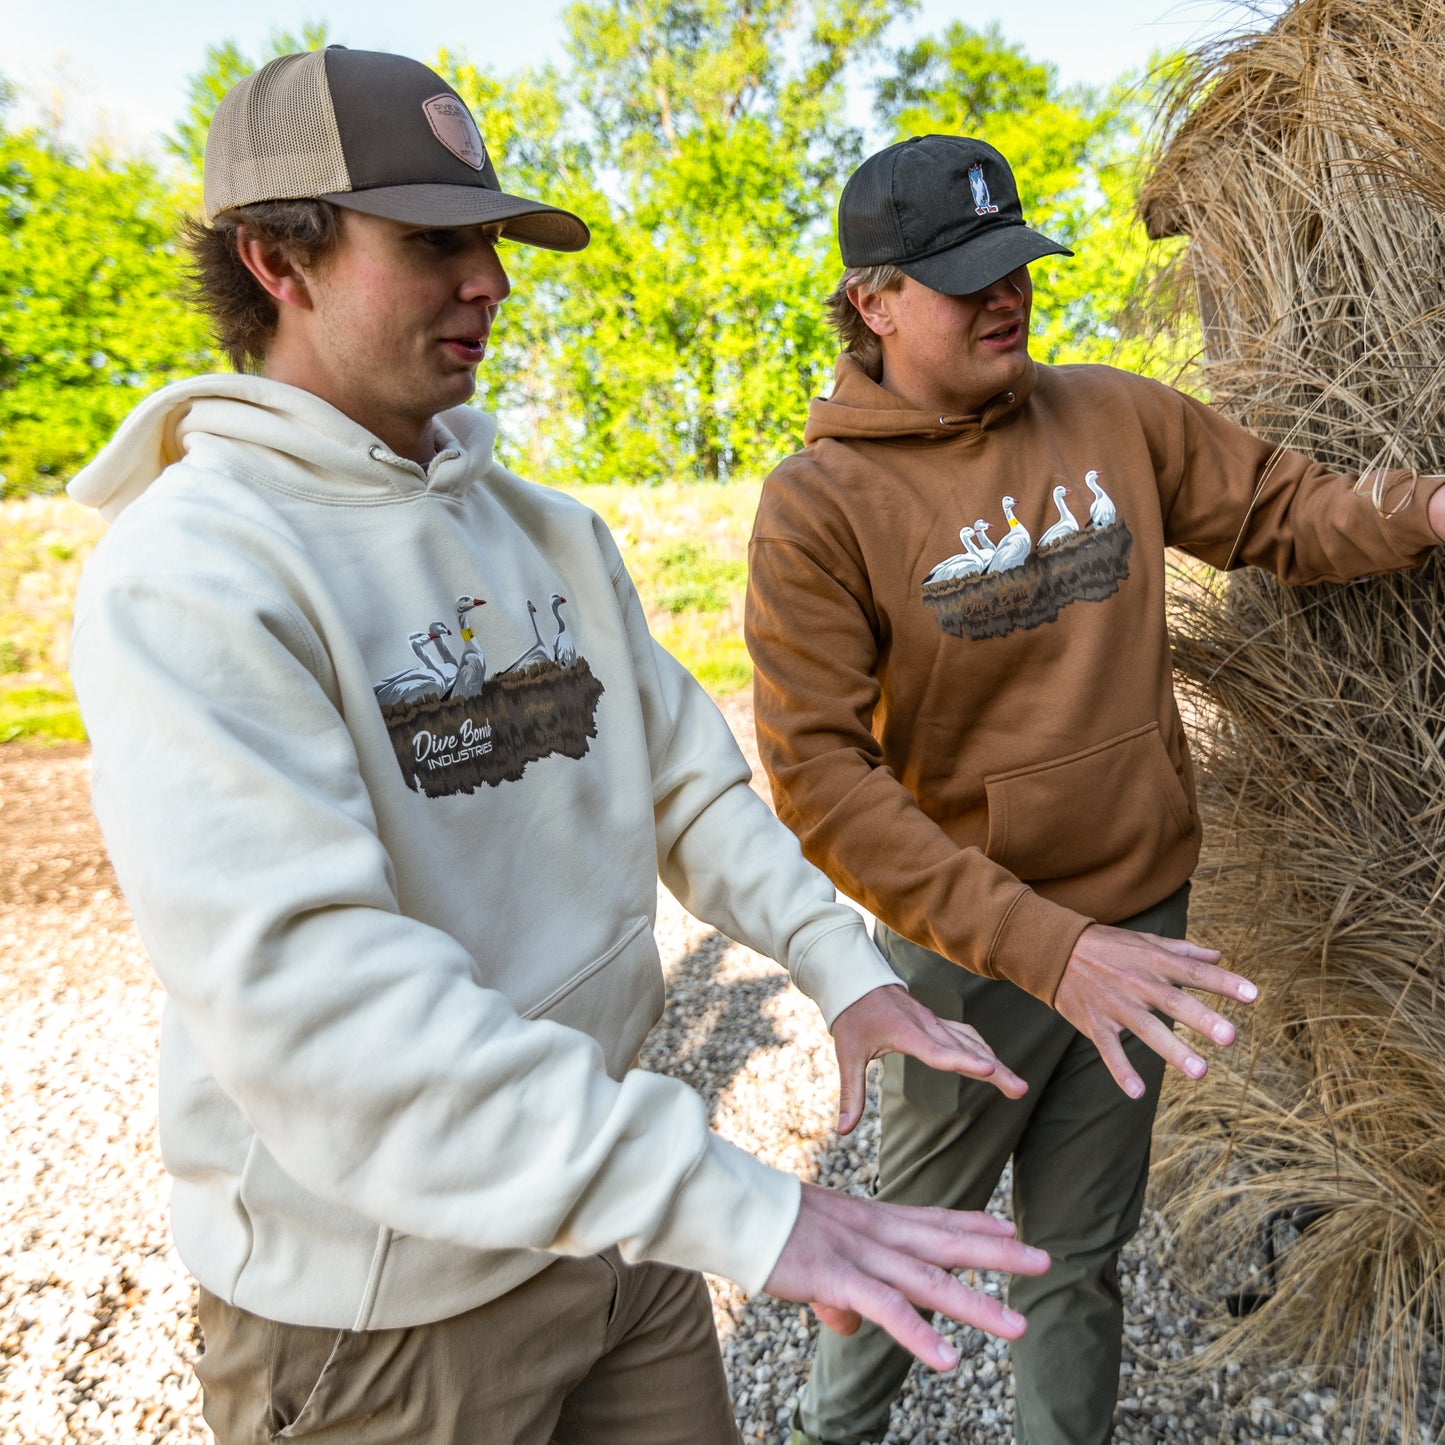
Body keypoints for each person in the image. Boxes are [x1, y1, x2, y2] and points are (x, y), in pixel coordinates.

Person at [66, 61, 1053, 1445]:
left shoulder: (545, 534)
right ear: (274, 258)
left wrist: (840, 970)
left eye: (489, 241)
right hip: (382, 1314)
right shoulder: (195, 572)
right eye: (431, 244)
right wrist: (743, 1207)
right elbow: (325, 1006)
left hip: (610, 1240)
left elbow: (688, 786)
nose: (491, 283)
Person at [745, 133, 1445, 1445]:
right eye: (964, 276)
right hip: (973, 956)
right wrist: (1039, 948)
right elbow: (818, 778)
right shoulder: (819, 504)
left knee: (1078, 1253)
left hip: (1142, 923)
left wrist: (1423, 507)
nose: (1005, 293)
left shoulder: (1113, 415)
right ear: (874, 299)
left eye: (1014, 261)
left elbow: (1284, 513)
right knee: (917, 1250)